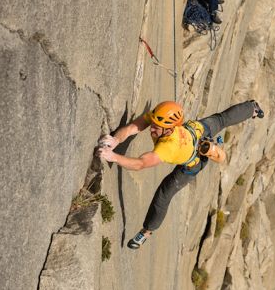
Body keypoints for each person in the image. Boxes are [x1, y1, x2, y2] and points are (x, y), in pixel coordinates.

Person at [97, 99, 264, 249]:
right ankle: (252, 108)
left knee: (163, 194)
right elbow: (135, 126)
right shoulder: (161, 118)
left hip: (193, 163)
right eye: (153, 123)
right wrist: (116, 140)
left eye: (156, 127)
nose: (152, 128)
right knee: (221, 119)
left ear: (169, 130)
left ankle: (146, 232)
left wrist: (113, 157)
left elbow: (140, 164)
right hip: (197, 131)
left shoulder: (168, 147)